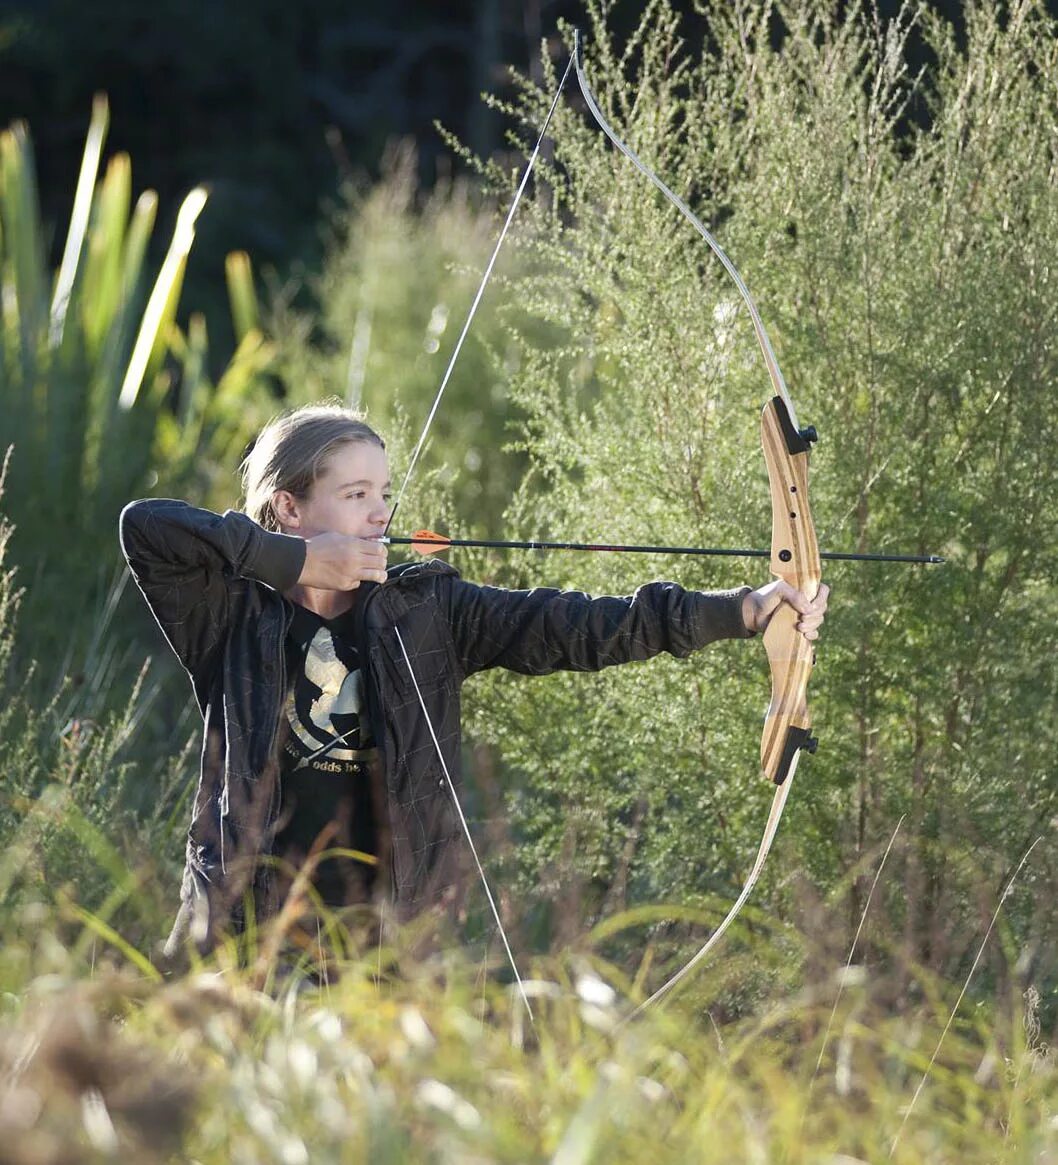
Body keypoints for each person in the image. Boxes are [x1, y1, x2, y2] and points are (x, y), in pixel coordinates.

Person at [119, 403, 829, 961]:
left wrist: (743, 609)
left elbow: (577, 625)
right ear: (289, 508)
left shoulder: (427, 612)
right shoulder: (231, 613)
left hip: (385, 953)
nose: (380, 513)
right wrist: (295, 563)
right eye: (356, 493)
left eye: (384, 493)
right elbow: (147, 527)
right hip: (245, 943)